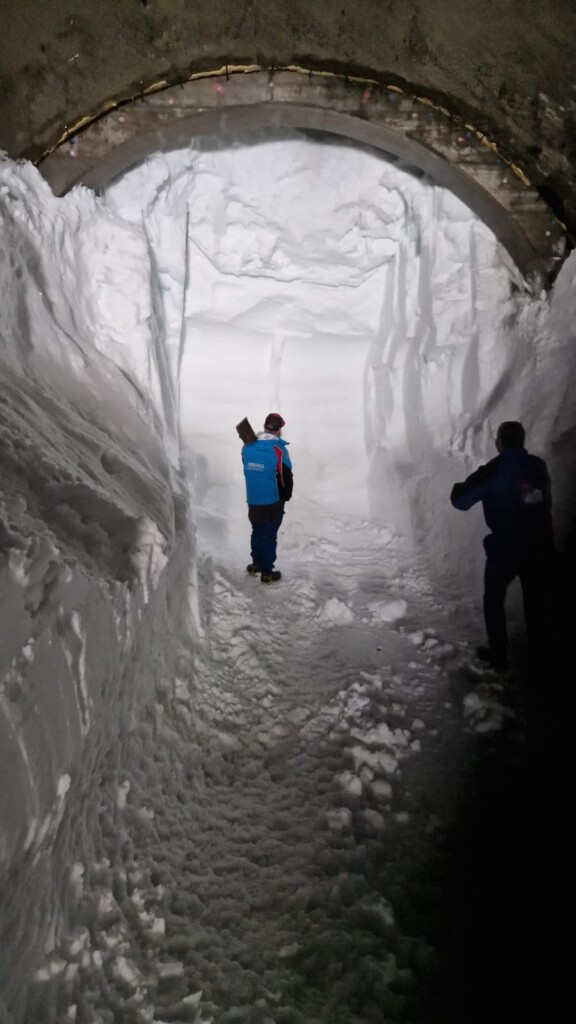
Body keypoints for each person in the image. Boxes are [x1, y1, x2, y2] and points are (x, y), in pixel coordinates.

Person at [450, 421, 555, 670]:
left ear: (499, 442)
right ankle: (540, 660)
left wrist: (460, 487)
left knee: (494, 599)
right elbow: (546, 502)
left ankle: (499, 655)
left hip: (506, 549)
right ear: (522, 440)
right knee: (536, 603)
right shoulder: (538, 466)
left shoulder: (492, 471)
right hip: (540, 546)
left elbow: (461, 501)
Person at [241, 412, 293, 584]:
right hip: (272, 501)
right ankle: (267, 573)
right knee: (270, 535)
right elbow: (285, 476)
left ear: (264, 427)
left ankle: (256, 563)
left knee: (257, 530)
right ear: (278, 430)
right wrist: (286, 496)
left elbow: (247, 465)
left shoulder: (247, 447)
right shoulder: (278, 450)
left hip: (253, 499)